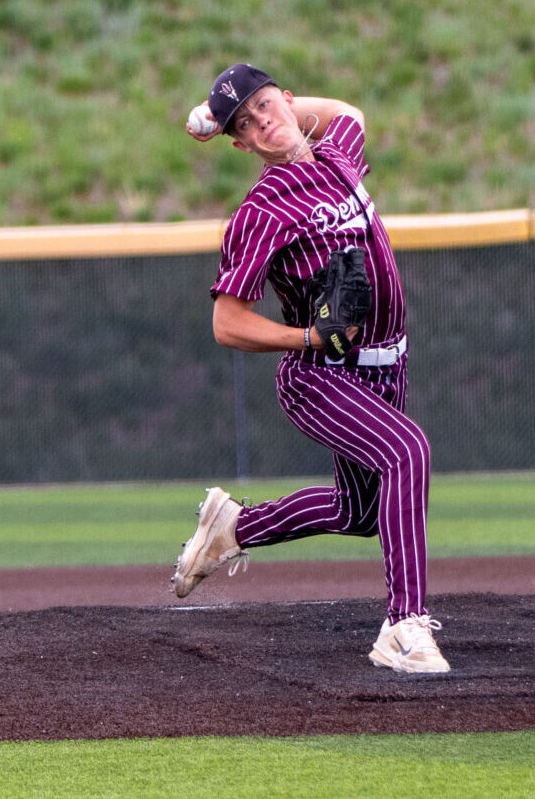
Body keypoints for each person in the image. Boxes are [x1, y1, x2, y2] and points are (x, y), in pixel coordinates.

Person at [167, 62, 448, 675]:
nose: (263, 122)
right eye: (246, 123)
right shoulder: (261, 211)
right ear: (240, 145)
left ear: (289, 101)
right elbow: (228, 322)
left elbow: (350, 112)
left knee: (362, 512)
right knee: (408, 453)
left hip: (385, 369)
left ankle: (234, 526)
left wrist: (222, 112)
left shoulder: (336, 154)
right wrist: (306, 338)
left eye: (267, 105)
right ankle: (403, 626)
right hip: (322, 376)